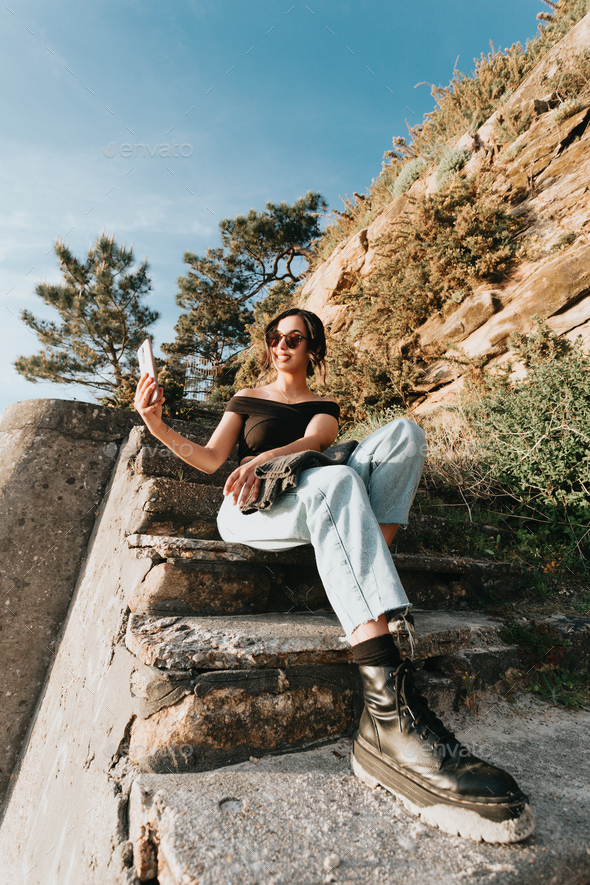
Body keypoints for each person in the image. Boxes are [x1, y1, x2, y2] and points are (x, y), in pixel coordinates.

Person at [134, 307, 534, 844]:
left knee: (403, 434)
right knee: (338, 482)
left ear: (312, 350)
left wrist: (269, 454)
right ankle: (387, 714)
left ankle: (360, 574)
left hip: (314, 484)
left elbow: (316, 443)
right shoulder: (246, 398)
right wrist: (156, 424)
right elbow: (210, 461)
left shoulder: (322, 406)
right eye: (275, 337)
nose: (282, 345)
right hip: (254, 506)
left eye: (295, 338)